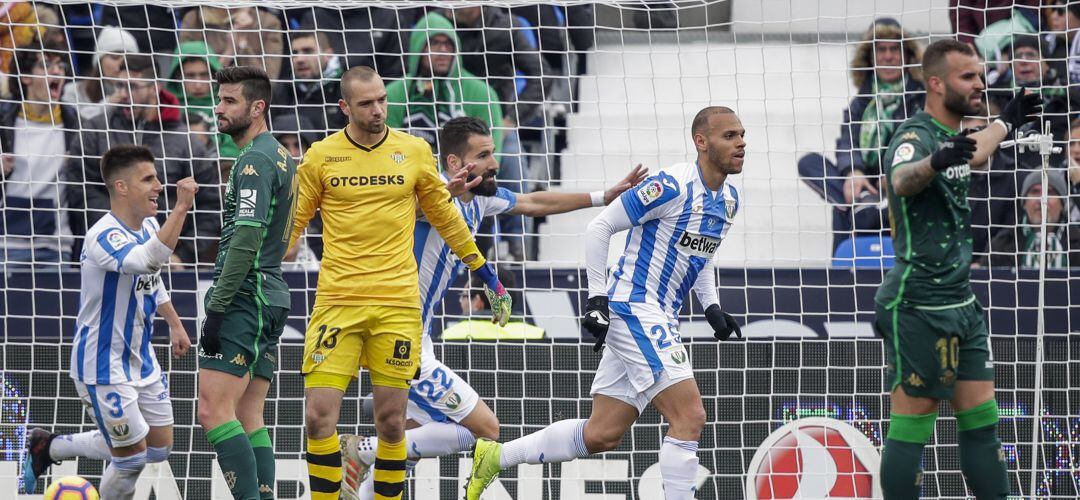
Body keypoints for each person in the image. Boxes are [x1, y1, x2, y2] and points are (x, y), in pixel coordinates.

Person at [336, 116, 647, 499]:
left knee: (413, 433)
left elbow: (533, 202)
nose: (494, 163)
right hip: (398, 334)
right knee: (483, 429)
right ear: (454, 164)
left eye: (493, 153)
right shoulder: (426, 195)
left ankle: (364, 474)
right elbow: (402, 210)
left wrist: (603, 196)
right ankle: (363, 449)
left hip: (419, 333)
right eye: (483, 155)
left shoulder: (481, 199)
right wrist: (441, 193)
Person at [466, 106, 747, 500]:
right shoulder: (671, 186)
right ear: (701, 142)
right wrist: (596, 298)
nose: (741, 143)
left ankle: (496, 456)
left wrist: (711, 306)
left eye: (741, 135)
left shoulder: (729, 199)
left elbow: (701, 253)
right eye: (729, 136)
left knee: (602, 434)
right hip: (634, 306)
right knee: (690, 416)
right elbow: (600, 226)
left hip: (658, 313)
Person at [289, 66, 511, 500]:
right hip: (338, 303)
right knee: (318, 418)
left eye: (381, 101)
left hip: (397, 307)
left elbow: (447, 217)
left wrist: (485, 273)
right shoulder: (320, 157)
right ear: (344, 107)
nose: (377, 111)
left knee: (392, 423)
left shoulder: (413, 151)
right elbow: (291, 227)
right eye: (367, 104)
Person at [873, 39, 1042, 499]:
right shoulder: (915, 136)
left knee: (982, 421)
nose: (979, 83)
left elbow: (976, 148)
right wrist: (934, 161)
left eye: (979, 74)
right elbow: (903, 180)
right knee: (914, 422)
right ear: (935, 83)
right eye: (967, 76)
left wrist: (1006, 121)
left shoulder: (956, 136)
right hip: (918, 303)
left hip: (962, 303)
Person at [21, 144, 195, 499]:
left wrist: (174, 322)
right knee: (131, 460)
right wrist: (181, 208)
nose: (159, 186)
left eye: (157, 177)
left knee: (158, 450)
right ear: (122, 187)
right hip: (101, 364)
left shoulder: (148, 224)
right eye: (148, 179)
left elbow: (152, 279)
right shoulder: (103, 235)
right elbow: (144, 262)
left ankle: (50, 447)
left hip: (140, 357)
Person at [194, 66, 295, 500]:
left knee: (214, 410)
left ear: (258, 108)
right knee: (250, 414)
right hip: (269, 293)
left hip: (245, 295)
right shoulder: (280, 155)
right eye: (219, 99)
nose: (218, 109)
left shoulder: (253, 160)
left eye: (229, 101)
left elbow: (247, 237)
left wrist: (217, 304)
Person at [67, 54, 221, 266]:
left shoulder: (186, 141)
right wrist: (121, 232)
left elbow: (209, 205)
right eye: (120, 86)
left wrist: (183, 254)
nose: (123, 95)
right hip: (107, 253)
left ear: (154, 87)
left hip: (169, 261)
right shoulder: (94, 131)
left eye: (132, 87)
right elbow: (81, 192)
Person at [797, 18, 924, 251]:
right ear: (870, 59)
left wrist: (895, 173)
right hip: (863, 182)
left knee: (842, 209)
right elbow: (847, 142)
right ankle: (864, 203)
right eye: (881, 50)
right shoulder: (862, 101)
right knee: (809, 164)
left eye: (894, 49)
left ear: (907, 57)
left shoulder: (921, 97)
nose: (887, 56)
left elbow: (923, 142)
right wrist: (852, 172)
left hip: (901, 181)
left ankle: (861, 217)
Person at [1, 47, 79, 268]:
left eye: (60, 66)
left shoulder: (74, 124)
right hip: (7, 245)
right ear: (25, 77)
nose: (56, 71)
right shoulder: (4, 119)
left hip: (55, 246)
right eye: (46, 66)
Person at [385, 11, 503, 154]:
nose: (443, 50)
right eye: (435, 43)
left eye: (448, 44)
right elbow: (389, 149)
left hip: (466, 174)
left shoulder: (483, 94)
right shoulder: (394, 93)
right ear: (418, 46)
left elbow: (490, 154)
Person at [980, 170, 1080, 268]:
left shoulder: (1077, 242)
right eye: (1035, 192)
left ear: (1062, 204)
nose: (1042, 199)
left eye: (1049, 192)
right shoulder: (1001, 243)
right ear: (1024, 203)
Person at [272, 30, 347, 134]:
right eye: (295, 53)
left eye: (308, 51)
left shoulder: (346, 89)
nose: (299, 59)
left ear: (328, 54)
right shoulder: (281, 92)